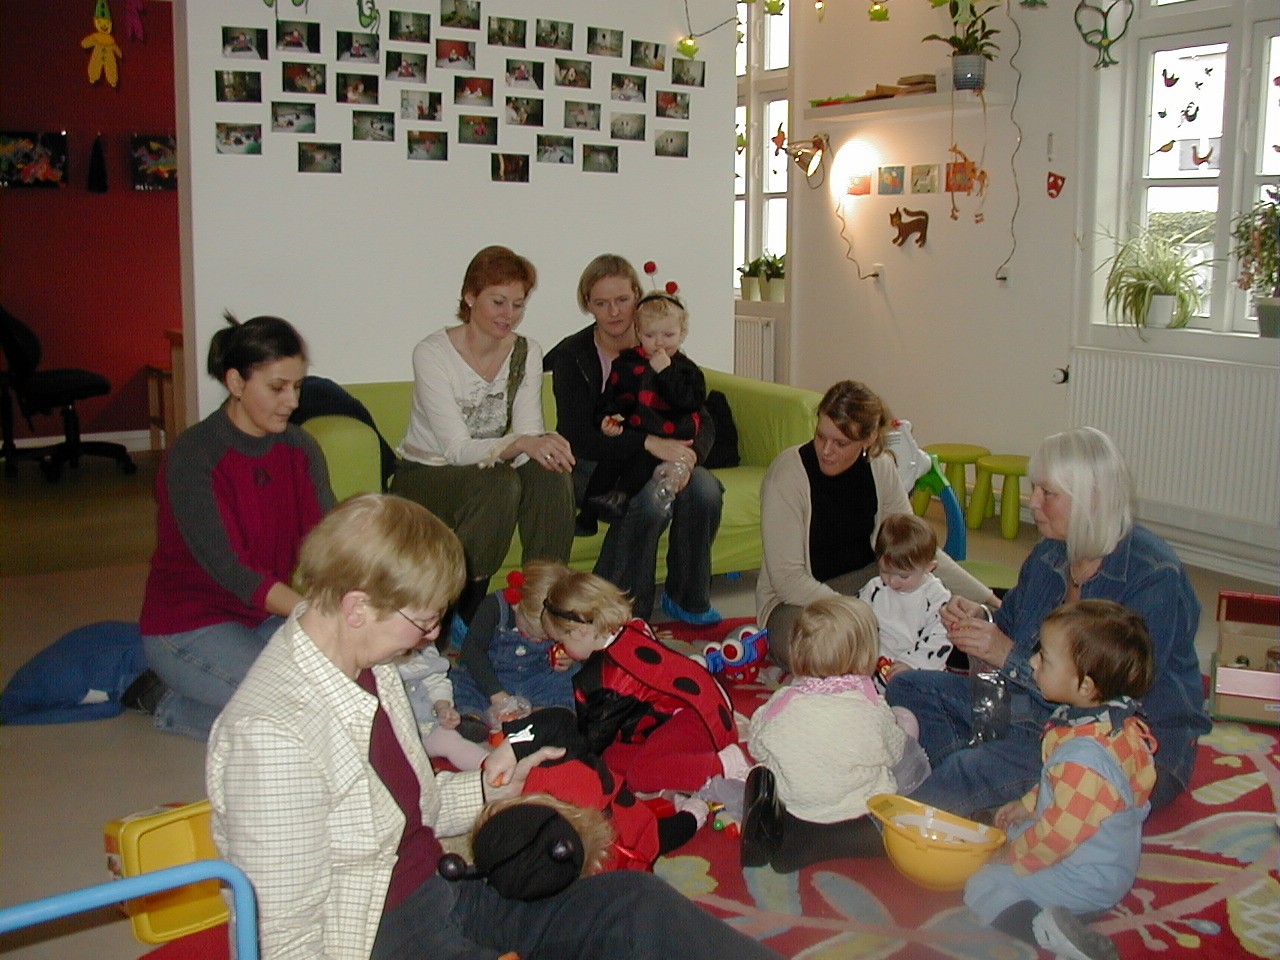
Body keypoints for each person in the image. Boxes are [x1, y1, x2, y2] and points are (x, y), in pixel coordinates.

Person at [208, 493, 783, 960]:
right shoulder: (271, 734)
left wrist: (488, 786)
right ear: (357, 607)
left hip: (443, 892)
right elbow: (282, 939)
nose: (433, 638)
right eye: (425, 621)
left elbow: (415, 810)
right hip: (377, 937)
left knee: (633, 903)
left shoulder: (366, 663)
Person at [887, 426, 1210, 815]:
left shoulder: (1154, 576)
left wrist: (1007, 655)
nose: (1034, 503)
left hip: (1113, 743)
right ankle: (983, 794)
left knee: (969, 769)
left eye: (1047, 493)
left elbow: (1112, 700)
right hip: (1035, 713)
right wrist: (977, 620)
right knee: (908, 686)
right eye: (1034, 489)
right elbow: (1009, 626)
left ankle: (935, 804)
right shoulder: (1049, 554)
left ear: (1092, 497)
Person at [138, 313, 335, 740]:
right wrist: (316, 614)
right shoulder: (195, 454)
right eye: (277, 388)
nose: (292, 402)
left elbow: (331, 540)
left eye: (297, 386)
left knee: (338, 697)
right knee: (293, 719)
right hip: (191, 625)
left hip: (263, 616)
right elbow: (232, 570)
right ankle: (164, 699)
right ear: (236, 382)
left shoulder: (300, 448)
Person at [757, 379, 998, 671]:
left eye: (840, 443)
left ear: (869, 439)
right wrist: (860, 614)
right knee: (818, 647)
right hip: (799, 602)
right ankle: (891, 663)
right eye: (820, 437)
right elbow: (788, 580)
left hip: (875, 582)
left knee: (950, 614)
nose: (826, 450)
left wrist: (988, 599)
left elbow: (915, 550)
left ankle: (893, 662)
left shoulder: (880, 466)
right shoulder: (787, 475)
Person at [391, 245, 575, 626]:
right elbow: (456, 449)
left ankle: (543, 601)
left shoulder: (526, 351)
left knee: (550, 471)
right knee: (499, 483)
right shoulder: (432, 353)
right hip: (427, 473)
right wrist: (520, 444)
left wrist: (543, 447)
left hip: (485, 470)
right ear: (470, 297)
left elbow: (527, 433)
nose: (509, 315)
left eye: (518, 305)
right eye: (498, 302)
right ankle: (465, 607)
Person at [965, 599, 1157, 960]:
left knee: (983, 884)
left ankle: (1052, 932)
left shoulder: (1083, 760)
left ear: (1085, 686)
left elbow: (1057, 836)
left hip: (1085, 879)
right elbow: (1098, 793)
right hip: (1104, 860)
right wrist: (1027, 805)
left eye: (1045, 658)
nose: (1033, 662)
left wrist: (1011, 856)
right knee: (1015, 832)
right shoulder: (1112, 723)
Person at [547, 254, 723, 625]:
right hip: (597, 466)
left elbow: (699, 415)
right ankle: (624, 607)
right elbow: (578, 438)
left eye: (622, 300)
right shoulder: (571, 356)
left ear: (637, 298)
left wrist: (691, 455)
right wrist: (646, 444)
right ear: (587, 304)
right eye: (601, 303)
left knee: (704, 488)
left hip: (662, 456)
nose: (614, 312)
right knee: (651, 499)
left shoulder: (659, 344)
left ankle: (687, 599)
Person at [743, 596, 926, 874]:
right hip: (861, 816)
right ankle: (852, 841)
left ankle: (790, 840)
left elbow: (756, 743)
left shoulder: (783, 702)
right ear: (864, 656)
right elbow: (895, 751)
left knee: (771, 772)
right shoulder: (871, 706)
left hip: (798, 812)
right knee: (899, 764)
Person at [543, 570, 751, 793]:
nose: (561, 649)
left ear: (580, 630)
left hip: (695, 719)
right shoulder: (633, 627)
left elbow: (593, 739)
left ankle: (725, 765)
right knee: (612, 758)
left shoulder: (607, 677)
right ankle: (687, 763)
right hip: (703, 706)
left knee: (640, 774)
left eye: (561, 642)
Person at [578, 291, 707, 531]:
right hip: (634, 434)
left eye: (668, 335)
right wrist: (606, 419)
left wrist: (666, 372)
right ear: (638, 333)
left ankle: (621, 497)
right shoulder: (626, 363)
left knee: (641, 463)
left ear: (682, 333)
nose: (659, 343)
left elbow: (689, 402)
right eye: (650, 335)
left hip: (669, 436)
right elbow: (612, 398)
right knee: (609, 463)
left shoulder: (686, 370)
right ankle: (588, 514)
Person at [450, 560, 578, 742]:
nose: (539, 640)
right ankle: (472, 716)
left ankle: (546, 715)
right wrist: (495, 692)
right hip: (493, 674)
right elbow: (472, 650)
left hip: (537, 676)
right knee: (463, 683)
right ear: (517, 605)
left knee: (568, 681)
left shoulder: (562, 614)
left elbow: (580, 643)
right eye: (533, 633)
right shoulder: (494, 606)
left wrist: (571, 655)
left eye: (548, 636)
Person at [858, 512, 953, 688]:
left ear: (929, 567)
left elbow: (940, 639)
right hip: (877, 667)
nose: (892, 581)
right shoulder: (874, 588)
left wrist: (911, 663)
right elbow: (857, 620)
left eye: (903, 576)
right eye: (885, 571)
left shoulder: (936, 597)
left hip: (920, 670)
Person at [396, 643, 490, 771]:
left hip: (425, 727)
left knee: (452, 740)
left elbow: (436, 681)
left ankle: (492, 769)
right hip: (390, 737)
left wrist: (442, 708)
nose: (433, 635)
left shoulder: (425, 648)